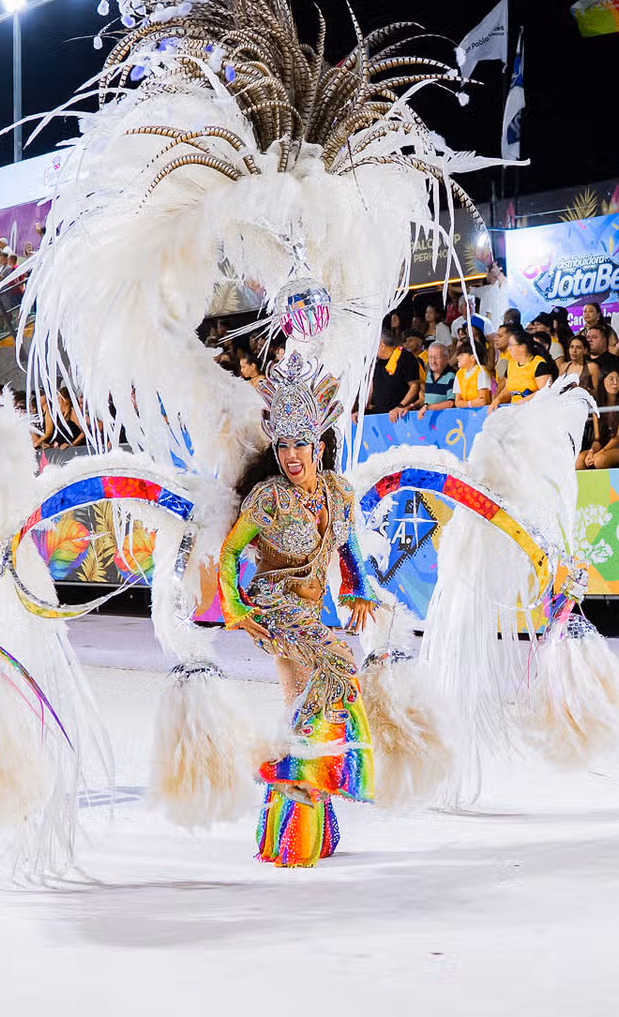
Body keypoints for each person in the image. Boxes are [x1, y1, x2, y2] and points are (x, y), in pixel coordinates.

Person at [218, 355, 382, 867]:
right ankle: (300, 789)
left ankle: (300, 826)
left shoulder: (338, 493)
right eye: (282, 445)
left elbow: (348, 547)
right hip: (272, 606)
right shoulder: (267, 498)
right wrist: (236, 605)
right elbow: (228, 553)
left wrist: (357, 590)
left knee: (300, 702)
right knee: (338, 668)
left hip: (312, 610)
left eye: (300, 444)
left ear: (320, 445)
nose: (290, 455)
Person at [577, 368, 619, 469]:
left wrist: (599, 453)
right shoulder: (597, 403)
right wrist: (592, 452)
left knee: (600, 460)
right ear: (602, 381)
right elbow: (597, 439)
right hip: (604, 446)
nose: (615, 382)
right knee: (580, 460)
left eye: (618, 379)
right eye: (611, 379)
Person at [487, 329, 552, 408]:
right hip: (514, 410)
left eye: (511, 345)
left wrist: (525, 400)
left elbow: (546, 391)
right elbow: (507, 390)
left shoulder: (539, 364)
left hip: (534, 410)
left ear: (522, 347)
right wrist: (497, 400)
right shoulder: (511, 364)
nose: (508, 349)